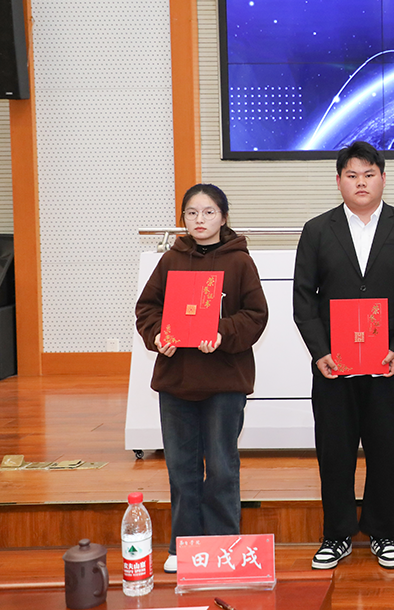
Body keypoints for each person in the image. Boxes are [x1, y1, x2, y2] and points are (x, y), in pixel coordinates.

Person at [292, 142, 394, 570]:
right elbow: (303, 298)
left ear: (383, 178)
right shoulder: (317, 229)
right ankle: (336, 535)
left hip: (387, 364)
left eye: (369, 175)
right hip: (334, 368)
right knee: (334, 453)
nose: (361, 183)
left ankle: (383, 531)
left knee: (386, 452)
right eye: (352, 176)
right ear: (339, 181)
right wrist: (320, 352)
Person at [135, 184, 269, 575]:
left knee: (223, 469)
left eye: (209, 212)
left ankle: (224, 546)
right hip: (177, 382)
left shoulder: (240, 262)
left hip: (224, 383)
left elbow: (256, 315)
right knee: (182, 469)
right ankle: (185, 545)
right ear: (183, 219)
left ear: (223, 217)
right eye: (192, 213)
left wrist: (221, 332)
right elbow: (147, 308)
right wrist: (158, 335)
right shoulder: (170, 260)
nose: (200, 220)